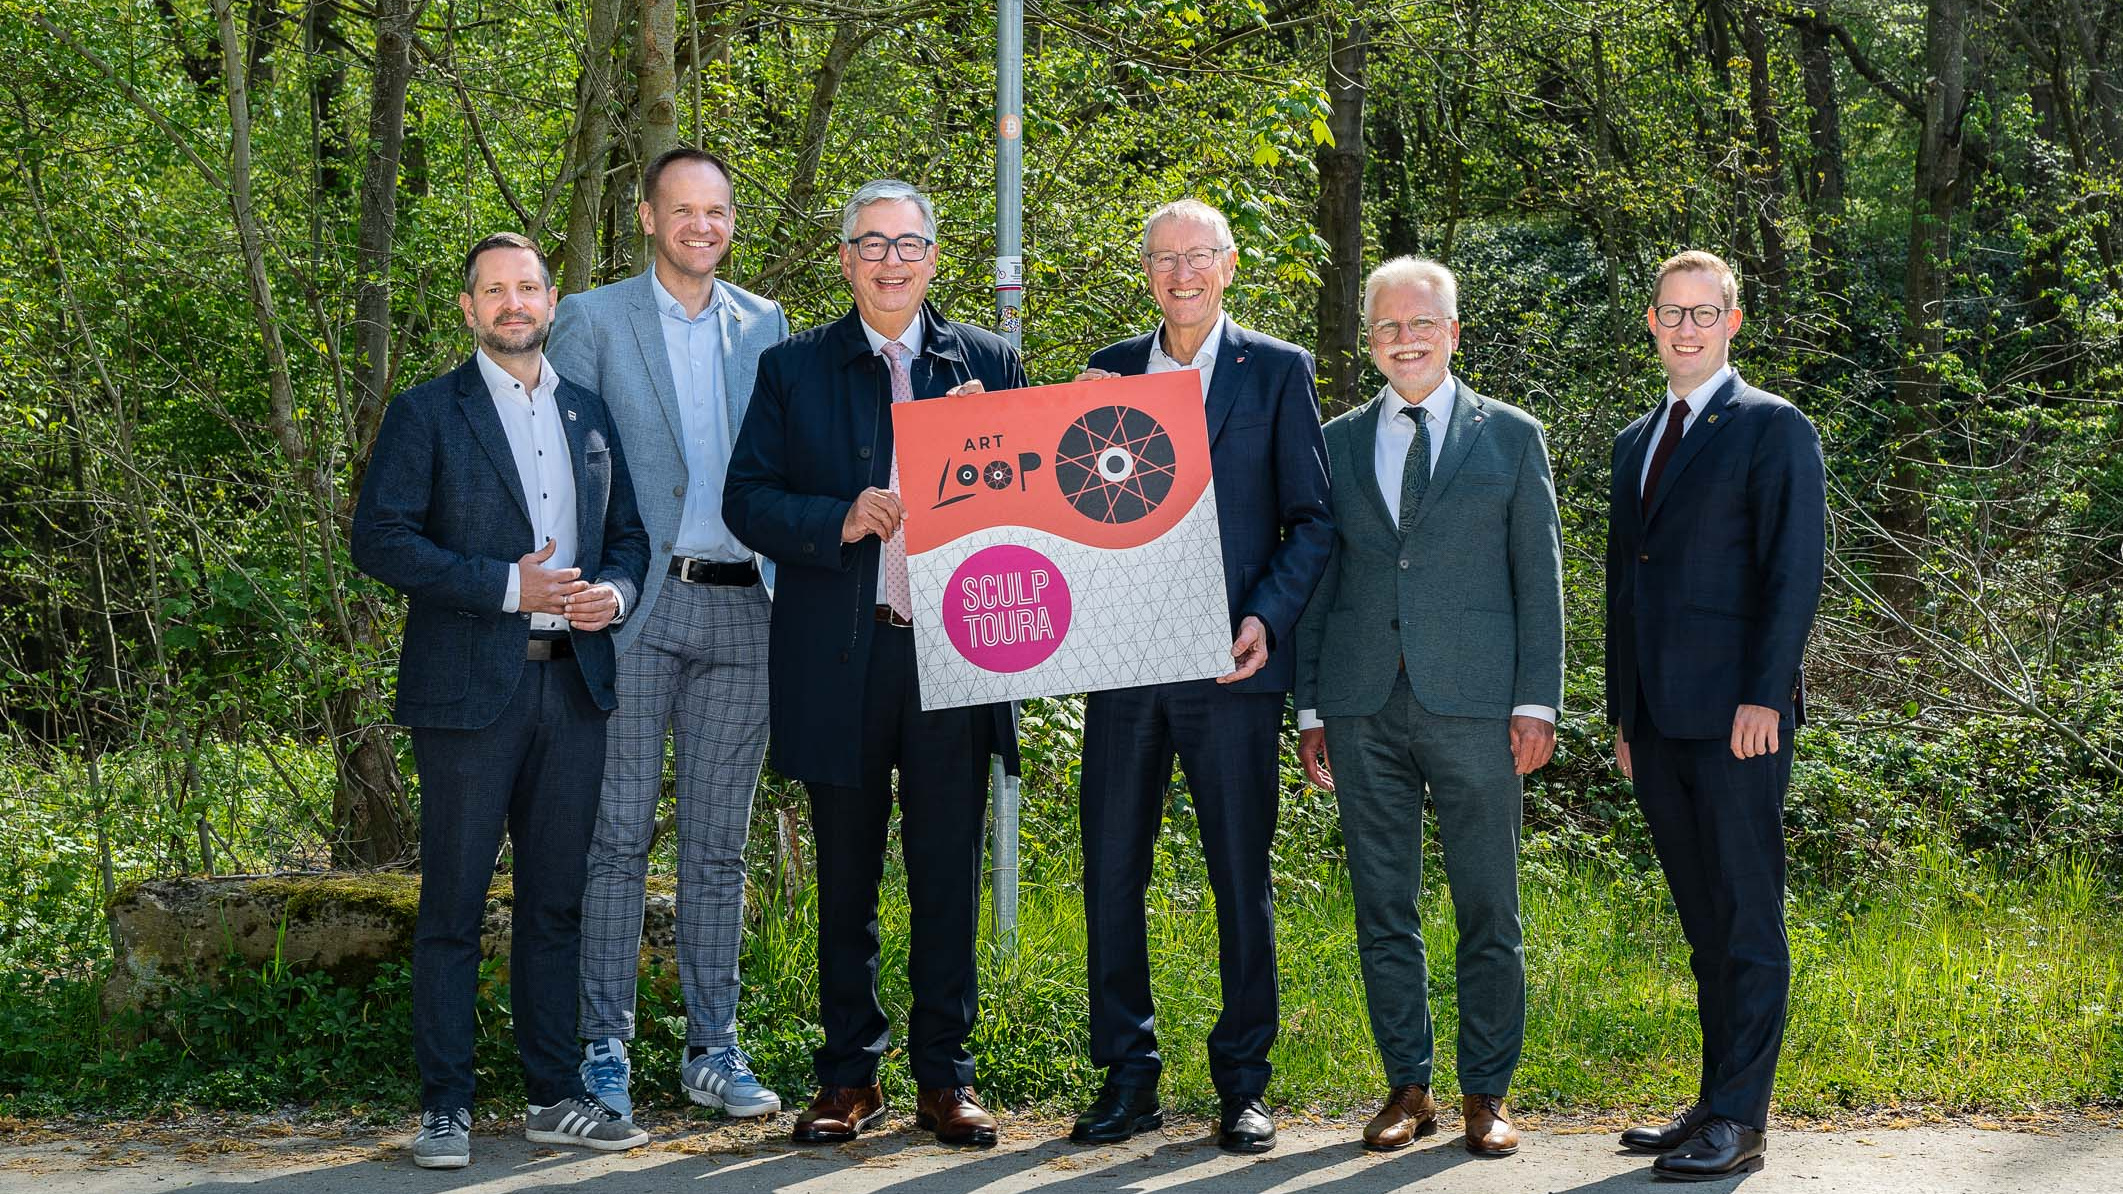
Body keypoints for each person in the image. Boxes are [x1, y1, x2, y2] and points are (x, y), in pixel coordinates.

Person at [723, 180, 1026, 1148]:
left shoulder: (986, 361)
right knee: (844, 881)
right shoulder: (793, 369)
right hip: (838, 658)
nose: (890, 260)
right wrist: (836, 517)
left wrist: (1002, 444)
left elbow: (1033, 520)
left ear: (936, 257)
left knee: (944, 878)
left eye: (908, 243)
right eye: (870, 243)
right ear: (845, 259)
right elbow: (746, 500)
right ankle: (848, 1077)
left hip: (951, 659)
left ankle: (948, 1078)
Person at [350, 232, 651, 1168]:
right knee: (451, 905)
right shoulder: (426, 413)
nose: (512, 303)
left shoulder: (590, 415)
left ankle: (554, 1095)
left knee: (555, 902)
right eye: (494, 291)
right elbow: (381, 540)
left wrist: (617, 594)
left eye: (527, 287)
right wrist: (505, 586)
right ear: (470, 309)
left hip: (575, 687)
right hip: (469, 694)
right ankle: (444, 1105)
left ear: (551, 300)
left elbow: (631, 540)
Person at [1069, 199, 1333, 1154]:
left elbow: (1312, 520)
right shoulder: (1105, 371)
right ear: (1145, 271)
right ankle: (1126, 1077)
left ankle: (1242, 1082)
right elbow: (1069, 509)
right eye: (1163, 259)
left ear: (1227, 266)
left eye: (1198, 257)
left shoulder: (1277, 370)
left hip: (1231, 667)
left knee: (1237, 875)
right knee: (1111, 872)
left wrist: (1264, 617)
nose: (1180, 274)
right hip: (1126, 666)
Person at [1293, 257, 1563, 1157]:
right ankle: (1407, 1087)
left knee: (1489, 906)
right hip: (1362, 704)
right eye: (1385, 327)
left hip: (1480, 708)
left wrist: (1536, 701)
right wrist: (1308, 709)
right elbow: (1317, 578)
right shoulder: (1332, 441)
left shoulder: (1512, 437)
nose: (1403, 340)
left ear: (1453, 331)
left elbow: (1540, 580)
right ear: (1366, 339)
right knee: (1383, 907)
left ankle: (1488, 1093)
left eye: (1421, 325)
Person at [546, 146, 790, 1121]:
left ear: (731, 221)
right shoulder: (592, 320)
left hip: (745, 607)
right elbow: (552, 457)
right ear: (647, 217)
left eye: (717, 211)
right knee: (613, 835)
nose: (702, 225)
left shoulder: (765, 323)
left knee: (718, 846)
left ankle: (711, 1048)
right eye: (682, 209)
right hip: (635, 605)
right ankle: (602, 1046)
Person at [1605, 250, 1826, 1180]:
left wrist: (1763, 695)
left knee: (1746, 920)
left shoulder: (1771, 428)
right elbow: (1626, 584)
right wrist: (1621, 712)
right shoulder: (1634, 439)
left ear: (1733, 321)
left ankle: (1743, 1120)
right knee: (1703, 924)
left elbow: (1792, 573)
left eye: (1704, 312)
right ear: (1650, 322)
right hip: (1656, 720)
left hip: (1739, 717)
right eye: (1671, 312)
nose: (1686, 327)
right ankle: (1713, 1101)